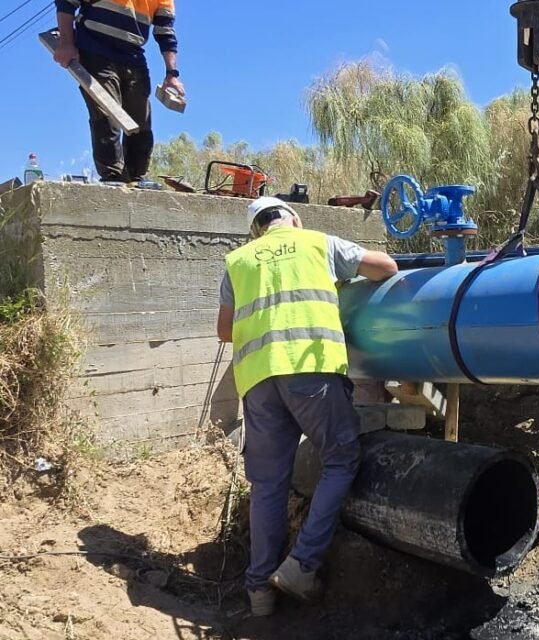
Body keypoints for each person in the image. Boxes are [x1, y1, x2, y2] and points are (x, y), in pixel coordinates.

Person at [216, 197, 398, 616]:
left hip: (259, 380)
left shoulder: (238, 261)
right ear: (292, 218)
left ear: (256, 231)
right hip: (310, 368)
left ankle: (259, 591)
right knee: (340, 459)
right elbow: (386, 268)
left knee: (267, 484)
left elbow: (225, 330)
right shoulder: (317, 243)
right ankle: (302, 563)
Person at [52, 0, 186, 183]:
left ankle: (136, 177)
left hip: (133, 56)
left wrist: (172, 75)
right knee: (105, 113)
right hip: (95, 49)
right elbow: (66, 3)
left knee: (141, 120)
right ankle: (112, 176)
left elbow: (165, 32)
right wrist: (66, 43)